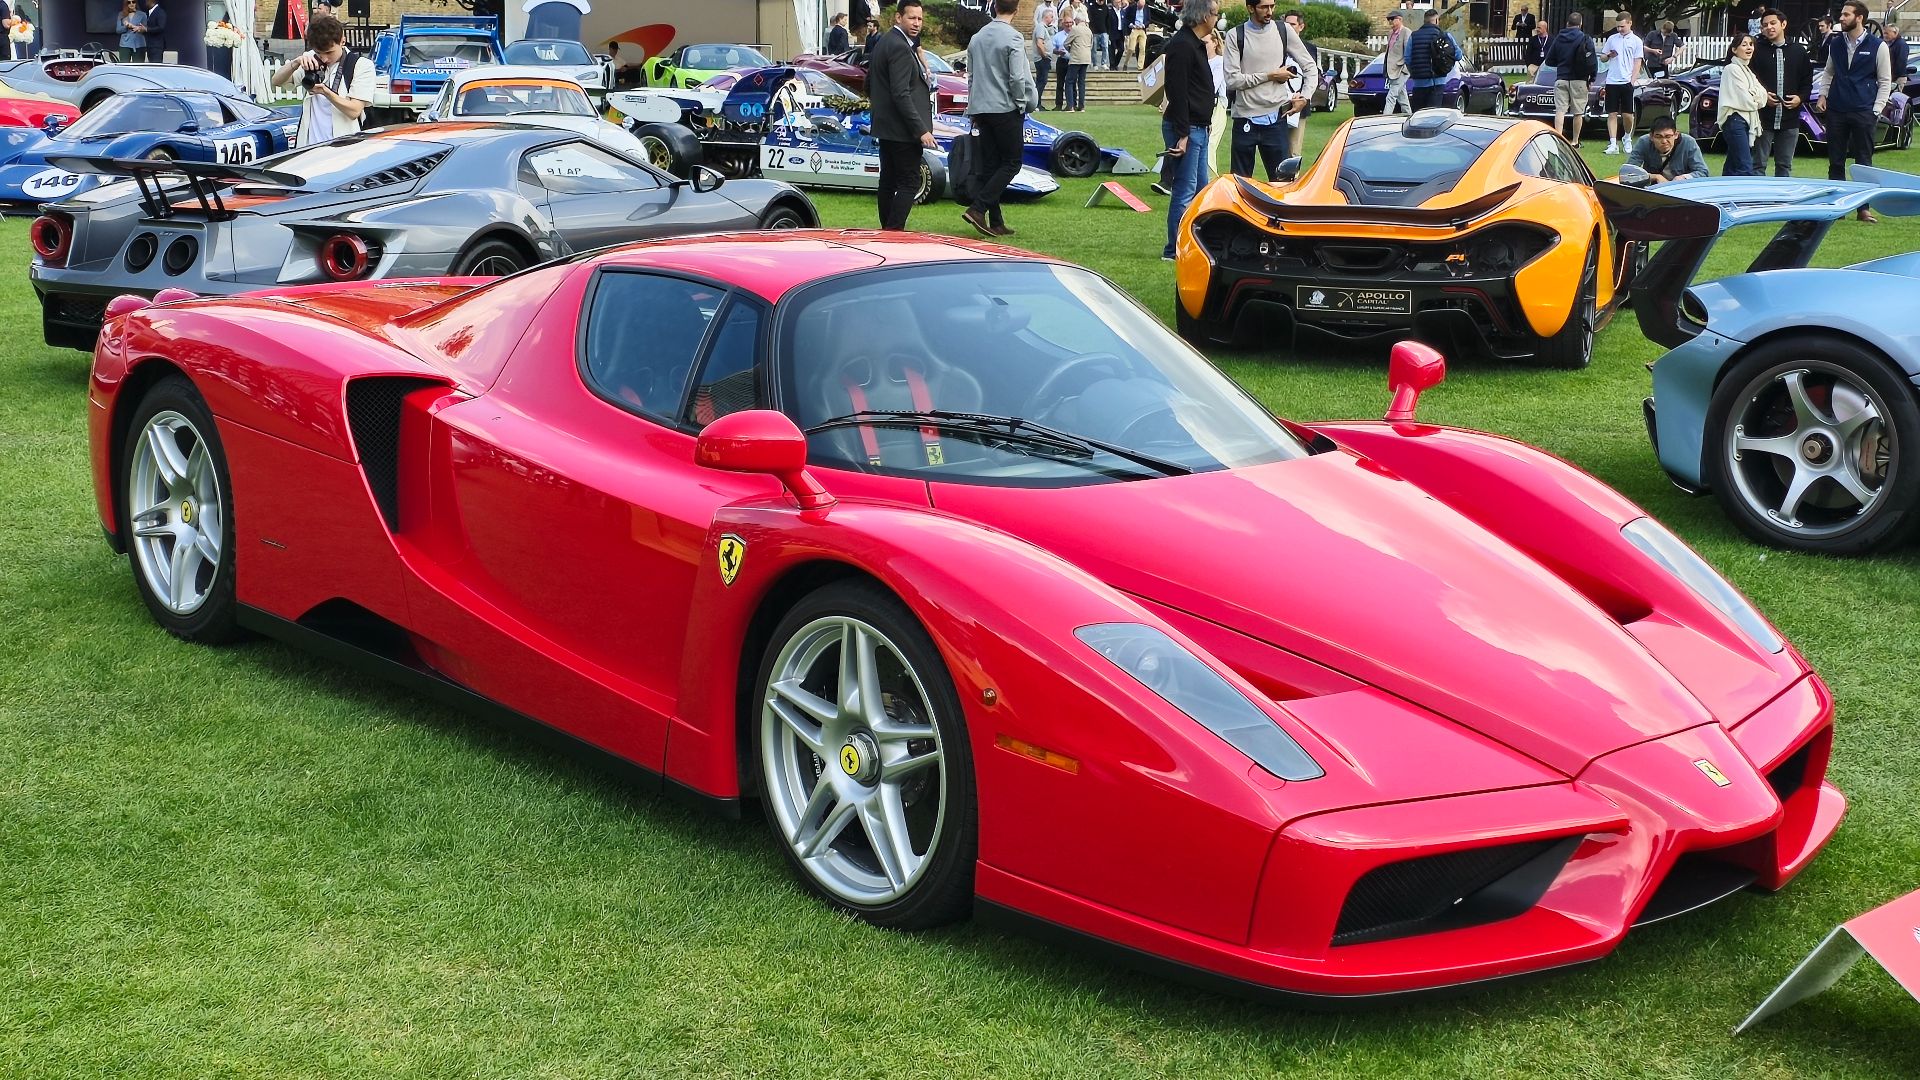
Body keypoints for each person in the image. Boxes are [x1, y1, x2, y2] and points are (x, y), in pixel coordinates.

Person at [962, 0, 1037, 237]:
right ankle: (978, 207)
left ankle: (996, 220)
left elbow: (971, 77)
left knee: (992, 165)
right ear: (1016, 10)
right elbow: (1016, 77)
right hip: (1004, 107)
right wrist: (1021, 103)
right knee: (1012, 163)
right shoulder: (1013, 38)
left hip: (982, 107)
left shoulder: (977, 38)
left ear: (994, 8)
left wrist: (972, 108)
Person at [1815, 0, 1891, 220]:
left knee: (1863, 162)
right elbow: (1828, 72)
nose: (1841, 18)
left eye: (1846, 15)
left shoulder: (1879, 46)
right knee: (1835, 161)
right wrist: (1823, 94)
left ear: (1860, 18)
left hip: (1863, 111)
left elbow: (1885, 81)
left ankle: (1863, 209)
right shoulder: (1835, 43)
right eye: (1842, 14)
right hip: (1837, 109)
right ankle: (1837, 207)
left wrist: (1875, 110)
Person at [1224, 0, 1316, 180]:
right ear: (1250, 8)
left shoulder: (1284, 31)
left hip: (1276, 120)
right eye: (1264, 7)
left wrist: (1305, 96)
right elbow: (1232, 80)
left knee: (1284, 187)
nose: (1269, 11)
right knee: (1240, 186)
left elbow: (1310, 67)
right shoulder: (1236, 35)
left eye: (1272, 6)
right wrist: (1270, 75)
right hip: (1244, 119)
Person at [868, 0, 937, 230]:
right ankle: (893, 231)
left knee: (888, 180)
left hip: (887, 126)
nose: (917, 23)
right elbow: (901, 94)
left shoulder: (885, 41)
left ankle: (887, 231)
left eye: (920, 19)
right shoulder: (898, 46)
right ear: (898, 18)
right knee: (909, 181)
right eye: (912, 18)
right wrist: (921, 130)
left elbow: (869, 83)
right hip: (902, 130)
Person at [1162, 0, 1219, 260]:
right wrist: (1183, 134)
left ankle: (1195, 243)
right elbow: (1177, 91)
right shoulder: (1182, 45)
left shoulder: (1195, 44)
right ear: (1204, 15)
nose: (1217, 18)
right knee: (1185, 190)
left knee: (1200, 190)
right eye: (1215, 13)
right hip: (1187, 128)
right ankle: (1173, 249)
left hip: (1199, 127)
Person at [273, 14, 372, 147]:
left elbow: (354, 111)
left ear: (343, 41)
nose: (324, 59)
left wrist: (325, 92)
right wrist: (296, 63)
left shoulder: (360, 65)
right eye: (319, 53)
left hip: (344, 149)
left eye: (329, 52)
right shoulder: (311, 59)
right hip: (309, 147)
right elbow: (276, 81)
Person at [1754, 8, 1811, 177]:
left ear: (1783, 24)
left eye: (1773, 23)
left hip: (1790, 119)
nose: (1769, 28)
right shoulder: (1756, 50)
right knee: (1757, 165)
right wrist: (1763, 96)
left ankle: (1781, 203)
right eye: (1764, 25)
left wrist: (1800, 98)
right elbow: (1749, 81)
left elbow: (1807, 81)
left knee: (1784, 165)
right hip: (1762, 118)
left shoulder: (1798, 51)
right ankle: (1756, 201)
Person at [1540, 11, 1594, 147]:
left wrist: (1561, 64)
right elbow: (1592, 61)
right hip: (1579, 79)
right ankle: (1575, 141)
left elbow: (1549, 60)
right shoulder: (1585, 38)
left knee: (1560, 110)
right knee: (1578, 112)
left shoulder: (1559, 38)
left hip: (1562, 77)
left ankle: (1559, 139)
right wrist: (1591, 78)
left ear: (1567, 23)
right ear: (1580, 24)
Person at [1718, 33, 1766, 175]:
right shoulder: (1732, 69)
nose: (1749, 47)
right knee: (1745, 167)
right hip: (1735, 120)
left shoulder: (1748, 71)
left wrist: (1755, 96)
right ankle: (1746, 196)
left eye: (1751, 44)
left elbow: (1763, 96)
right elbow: (1748, 101)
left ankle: (1725, 194)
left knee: (1733, 165)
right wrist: (1756, 96)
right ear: (1734, 49)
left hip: (1746, 121)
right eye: (1744, 44)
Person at [1601, 14, 1643, 155]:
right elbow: (1602, 58)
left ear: (1630, 23)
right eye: (1618, 26)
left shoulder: (1636, 41)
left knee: (1627, 115)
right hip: (1612, 80)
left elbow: (1638, 62)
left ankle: (1627, 137)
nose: (1619, 29)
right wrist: (1608, 56)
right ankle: (1613, 143)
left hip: (1626, 81)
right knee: (1611, 113)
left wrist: (1632, 80)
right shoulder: (1612, 39)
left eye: (1622, 26)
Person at [1626, 115, 1709, 182]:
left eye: (1668, 136)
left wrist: (1683, 178)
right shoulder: (1643, 142)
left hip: (1681, 190)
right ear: (1651, 136)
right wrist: (1655, 177)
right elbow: (1628, 172)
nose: (1664, 141)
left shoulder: (1688, 142)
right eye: (1659, 137)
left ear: (1676, 134)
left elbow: (1703, 172)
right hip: (1653, 190)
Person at [1406, 9, 1450, 112]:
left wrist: (1413, 72)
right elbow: (1458, 55)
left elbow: (1407, 58)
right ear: (1436, 21)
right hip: (1438, 81)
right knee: (1433, 115)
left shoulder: (1413, 36)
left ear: (1424, 21)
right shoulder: (1443, 35)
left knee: (1418, 115)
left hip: (1419, 82)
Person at [1381, 10, 1410, 115]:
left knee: (1391, 96)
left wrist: (1405, 70)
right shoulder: (1390, 33)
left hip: (1402, 70)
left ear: (1400, 19)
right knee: (1403, 97)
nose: (1390, 22)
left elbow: (1408, 51)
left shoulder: (1406, 32)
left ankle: (1384, 120)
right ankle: (1409, 116)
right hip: (1392, 70)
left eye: (1392, 19)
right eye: (1389, 20)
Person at [1064, 14, 1091, 110]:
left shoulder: (1075, 30)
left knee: (1069, 81)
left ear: (1077, 21)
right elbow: (1091, 44)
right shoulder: (1089, 30)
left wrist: (1070, 49)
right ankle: (1081, 106)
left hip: (1076, 58)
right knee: (1081, 82)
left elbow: (1066, 43)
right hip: (1086, 58)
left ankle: (1070, 106)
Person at [1032, 6, 1055, 108]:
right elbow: (1039, 43)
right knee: (1041, 81)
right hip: (1041, 59)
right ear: (1046, 17)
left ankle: (1038, 103)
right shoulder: (1041, 27)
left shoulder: (1043, 27)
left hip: (1043, 58)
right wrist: (1044, 55)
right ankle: (1036, 103)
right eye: (1051, 17)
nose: (1052, 19)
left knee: (1041, 81)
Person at [1123, 0, 1149, 70]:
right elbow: (1126, 18)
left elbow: (1148, 19)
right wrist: (1131, 25)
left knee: (1142, 48)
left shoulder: (1146, 8)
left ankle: (1140, 66)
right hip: (1134, 29)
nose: (1141, 8)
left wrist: (1144, 25)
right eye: (1140, 6)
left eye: (1142, 7)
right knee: (1131, 48)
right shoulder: (1131, 8)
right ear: (1137, 4)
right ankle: (1126, 63)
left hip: (1142, 29)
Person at [1089, 0, 1112, 71]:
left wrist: (1108, 32)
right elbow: (1090, 19)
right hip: (1094, 32)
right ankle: (1095, 64)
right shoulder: (1092, 7)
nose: (1102, 2)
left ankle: (1103, 63)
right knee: (1094, 49)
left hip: (1104, 31)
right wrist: (1091, 30)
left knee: (1105, 47)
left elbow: (1108, 20)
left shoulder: (1106, 8)